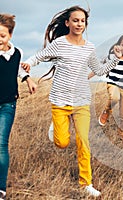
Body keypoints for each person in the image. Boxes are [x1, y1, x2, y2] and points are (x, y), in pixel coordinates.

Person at [21, 6, 122, 197]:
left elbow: (99, 71)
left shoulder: (89, 47)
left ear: (85, 24)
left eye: (82, 21)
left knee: (83, 141)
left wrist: (115, 58)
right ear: (67, 23)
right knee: (61, 142)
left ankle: (86, 183)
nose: (79, 24)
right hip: (60, 100)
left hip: (81, 101)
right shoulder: (60, 43)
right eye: (75, 20)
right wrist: (29, 64)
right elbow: (40, 56)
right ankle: (56, 127)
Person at [0, 13, 37, 200]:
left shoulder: (17, 53)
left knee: (1, 144)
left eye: (2, 35)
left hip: (7, 104)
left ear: (10, 36)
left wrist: (28, 79)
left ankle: (1, 190)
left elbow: (20, 69)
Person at [89, 34, 123, 140]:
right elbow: (100, 67)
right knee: (114, 97)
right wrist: (87, 76)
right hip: (113, 83)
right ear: (118, 45)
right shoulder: (112, 56)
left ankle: (121, 135)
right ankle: (106, 111)